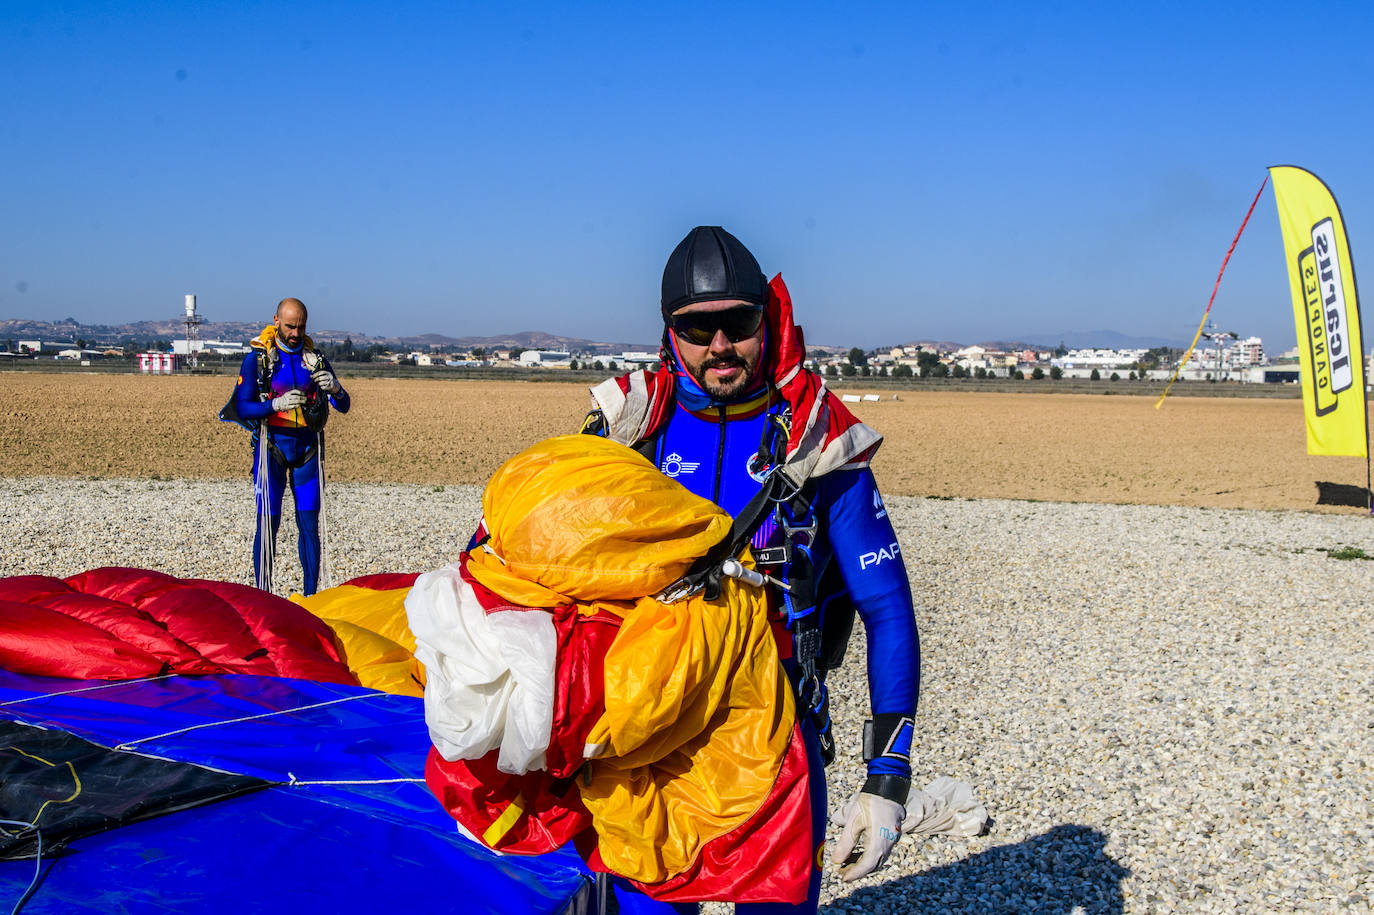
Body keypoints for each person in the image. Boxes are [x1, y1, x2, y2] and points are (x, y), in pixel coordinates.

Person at [581, 227, 920, 912]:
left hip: (779, 749)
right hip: (650, 747)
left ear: (766, 320)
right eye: (697, 328)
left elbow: (887, 605)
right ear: (669, 331)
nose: (719, 346)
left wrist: (886, 778)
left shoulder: (817, 440)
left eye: (737, 323)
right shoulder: (626, 430)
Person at [221, 297, 350, 596]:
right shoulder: (259, 359)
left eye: (301, 327)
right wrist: (274, 405)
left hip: (308, 449)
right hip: (272, 448)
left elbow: (343, 405)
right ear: (276, 321)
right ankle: (263, 597)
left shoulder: (315, 359)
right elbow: (243, 406)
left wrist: (335, 388)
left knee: (309, 527)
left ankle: (311, 599)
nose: (295, 333)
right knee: (268, 526)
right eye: (290, 326)